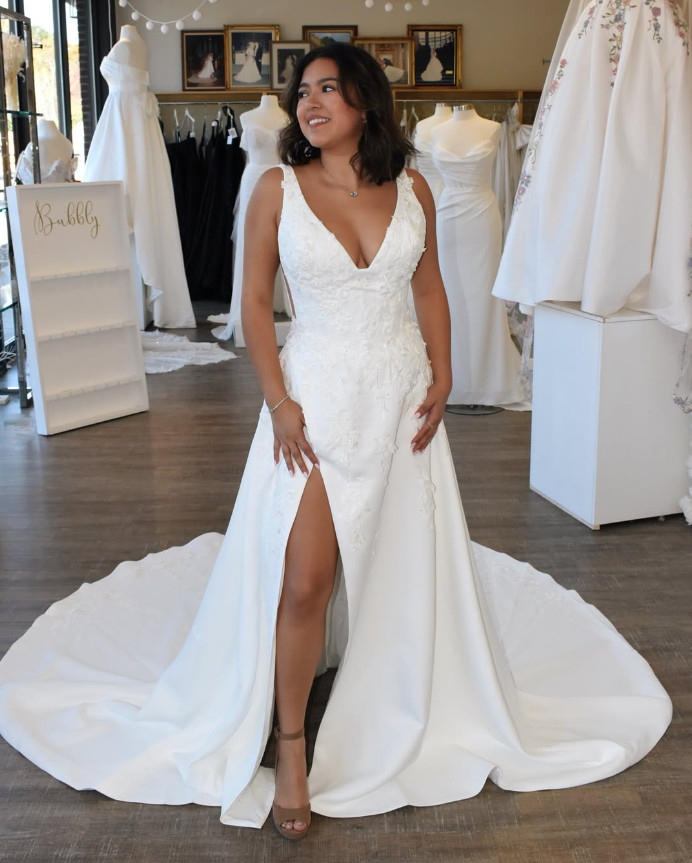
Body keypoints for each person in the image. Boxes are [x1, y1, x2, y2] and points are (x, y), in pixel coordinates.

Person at [0, 42, 672, 847]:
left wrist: (445, 371)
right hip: (314, 404)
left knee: (399, 564)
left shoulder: (413, 187)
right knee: (305, 578)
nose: (310, 103)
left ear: (365, 101)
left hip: (400, 401)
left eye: (328, 88)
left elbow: (429, 285)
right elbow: (253, 303)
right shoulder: (276, 189)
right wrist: (279, 401)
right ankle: (290, 743)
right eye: (303, 92)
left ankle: (393, 693)